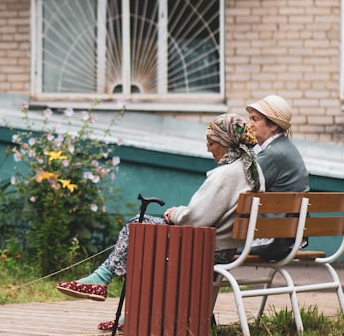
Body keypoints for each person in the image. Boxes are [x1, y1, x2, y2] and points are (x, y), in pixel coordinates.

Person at [56, 113, 265, 303]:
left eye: (211, 142)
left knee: (138, 224)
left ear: (225, 142)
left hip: (206, 249)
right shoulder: (253, 172)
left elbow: (194, 220)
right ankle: (118, 301)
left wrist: (175, 213)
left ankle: (101, 280)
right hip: (224, 249)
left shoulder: (227, 174)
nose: (208, 148)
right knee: (143, 230)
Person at [245, 94, 309, 261]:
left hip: (273, 240)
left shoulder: (273, 154)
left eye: (255, 119)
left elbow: (237, 188)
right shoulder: (284, 148)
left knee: (208, 243)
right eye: (250, 119)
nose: (250, 124)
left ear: (273, 125)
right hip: (289, 236)